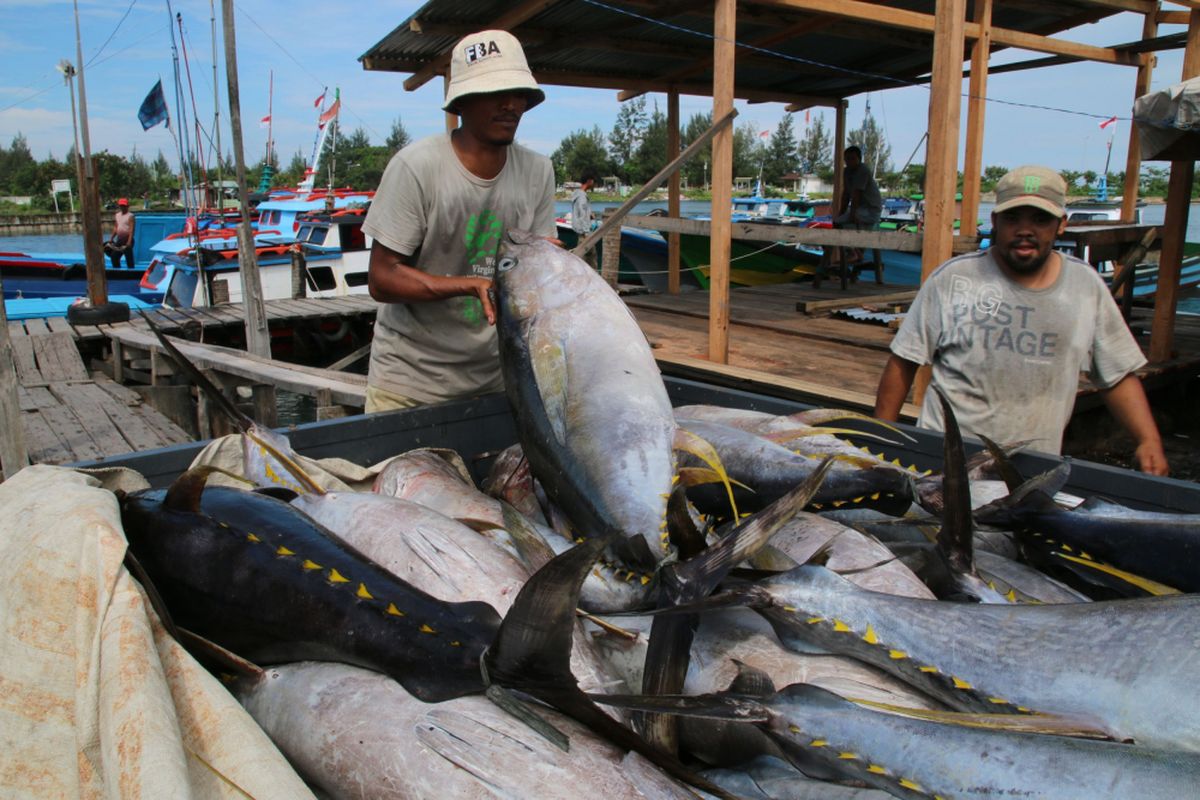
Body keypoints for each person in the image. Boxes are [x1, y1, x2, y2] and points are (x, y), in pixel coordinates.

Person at [874, 165, 1168, 475]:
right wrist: (882, 446)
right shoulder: (954, 280)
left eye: (1040, 220)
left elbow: (1117, 374)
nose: (1025, 230)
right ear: (995, 222)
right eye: (1013, 218)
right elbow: (903, 361)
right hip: (944, 465)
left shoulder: (1085, 287)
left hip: (1032, 471)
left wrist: (1147, 439)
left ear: (1061, 225)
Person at [362, 30, 555, 412]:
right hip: (410, 384)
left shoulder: (538, 171)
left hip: (500, 380)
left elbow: (539, 270)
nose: (511, 105)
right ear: (462, 103)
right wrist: (467, 284)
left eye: (519, 94)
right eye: (496, 93)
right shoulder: (417, 167)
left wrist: (553, 268)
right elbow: (381, 279)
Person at [570, 172, 597, 268]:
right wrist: (586, 233)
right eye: (593, 181)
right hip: (585, 234)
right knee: (591, 261)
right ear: (589, 181)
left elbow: (582, 212)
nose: (593, 183)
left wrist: (589, 214)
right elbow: (582, 215)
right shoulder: (582, 196)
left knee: (582, 261)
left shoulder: (577, 195)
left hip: (581, 233)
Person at [104, 198, 135, 270]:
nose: (122, 207)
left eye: (124, 206)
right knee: (114, 257)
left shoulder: (130, 216)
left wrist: (129, 242)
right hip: (120, 239)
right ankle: (117, 270)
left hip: (127, 239)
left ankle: (131, 272)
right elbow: (116, 227)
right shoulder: (117, 215)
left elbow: (131, 230)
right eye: (121, 206)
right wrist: (111, 239)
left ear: (127, 206)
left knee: (129, 259)